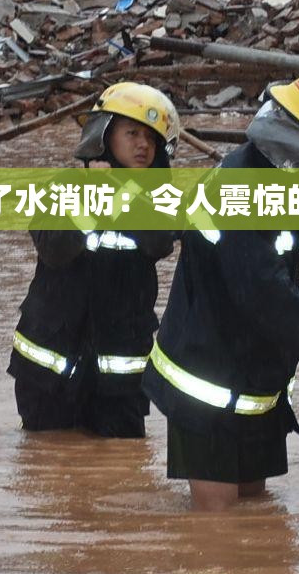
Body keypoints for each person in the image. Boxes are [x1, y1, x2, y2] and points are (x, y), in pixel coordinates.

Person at [144, 68, 299, 511]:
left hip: (256, 382)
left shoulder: (288, 181)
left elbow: (276, 284)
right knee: (215, 535)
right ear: (296, 141)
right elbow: (272, 304)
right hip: (207, 386)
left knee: (258, 521)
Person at [10, 83, 180, 438]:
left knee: (123, 469)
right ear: (103, 135)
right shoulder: (64, 186)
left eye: (151, 137)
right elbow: (54, 249)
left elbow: (160, 242)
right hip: (49, 371)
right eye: (132, 133)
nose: (143, 145)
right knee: (45, 465)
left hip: (120, 378)